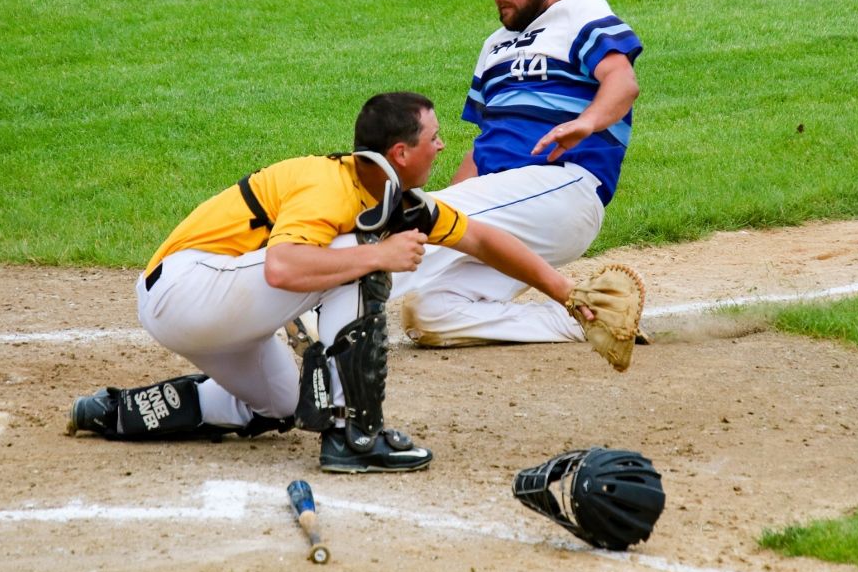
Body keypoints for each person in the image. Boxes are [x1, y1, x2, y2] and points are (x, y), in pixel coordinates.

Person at [66, 92, 595, 474]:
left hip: (211, 314)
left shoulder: (393, 200)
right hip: (188, 289)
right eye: (434, 139)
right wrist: (384, 254)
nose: (442, 147)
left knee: (275, 405)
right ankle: (353, 434)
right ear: (400, 154)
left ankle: (117, 412)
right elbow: (283, 268)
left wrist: (566, 293)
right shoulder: (329, 186)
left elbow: (481, 240)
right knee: (361, 253)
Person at [391, 0, 644, 352]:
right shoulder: (494, 46)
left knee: (412, 217)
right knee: (429, 310)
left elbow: (622, 81)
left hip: (561, 188)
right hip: (505, 209)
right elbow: (483, 143)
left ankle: (323, 310)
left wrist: (588, 121)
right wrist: (446, 205)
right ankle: (589, 318)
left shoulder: (580, 12)